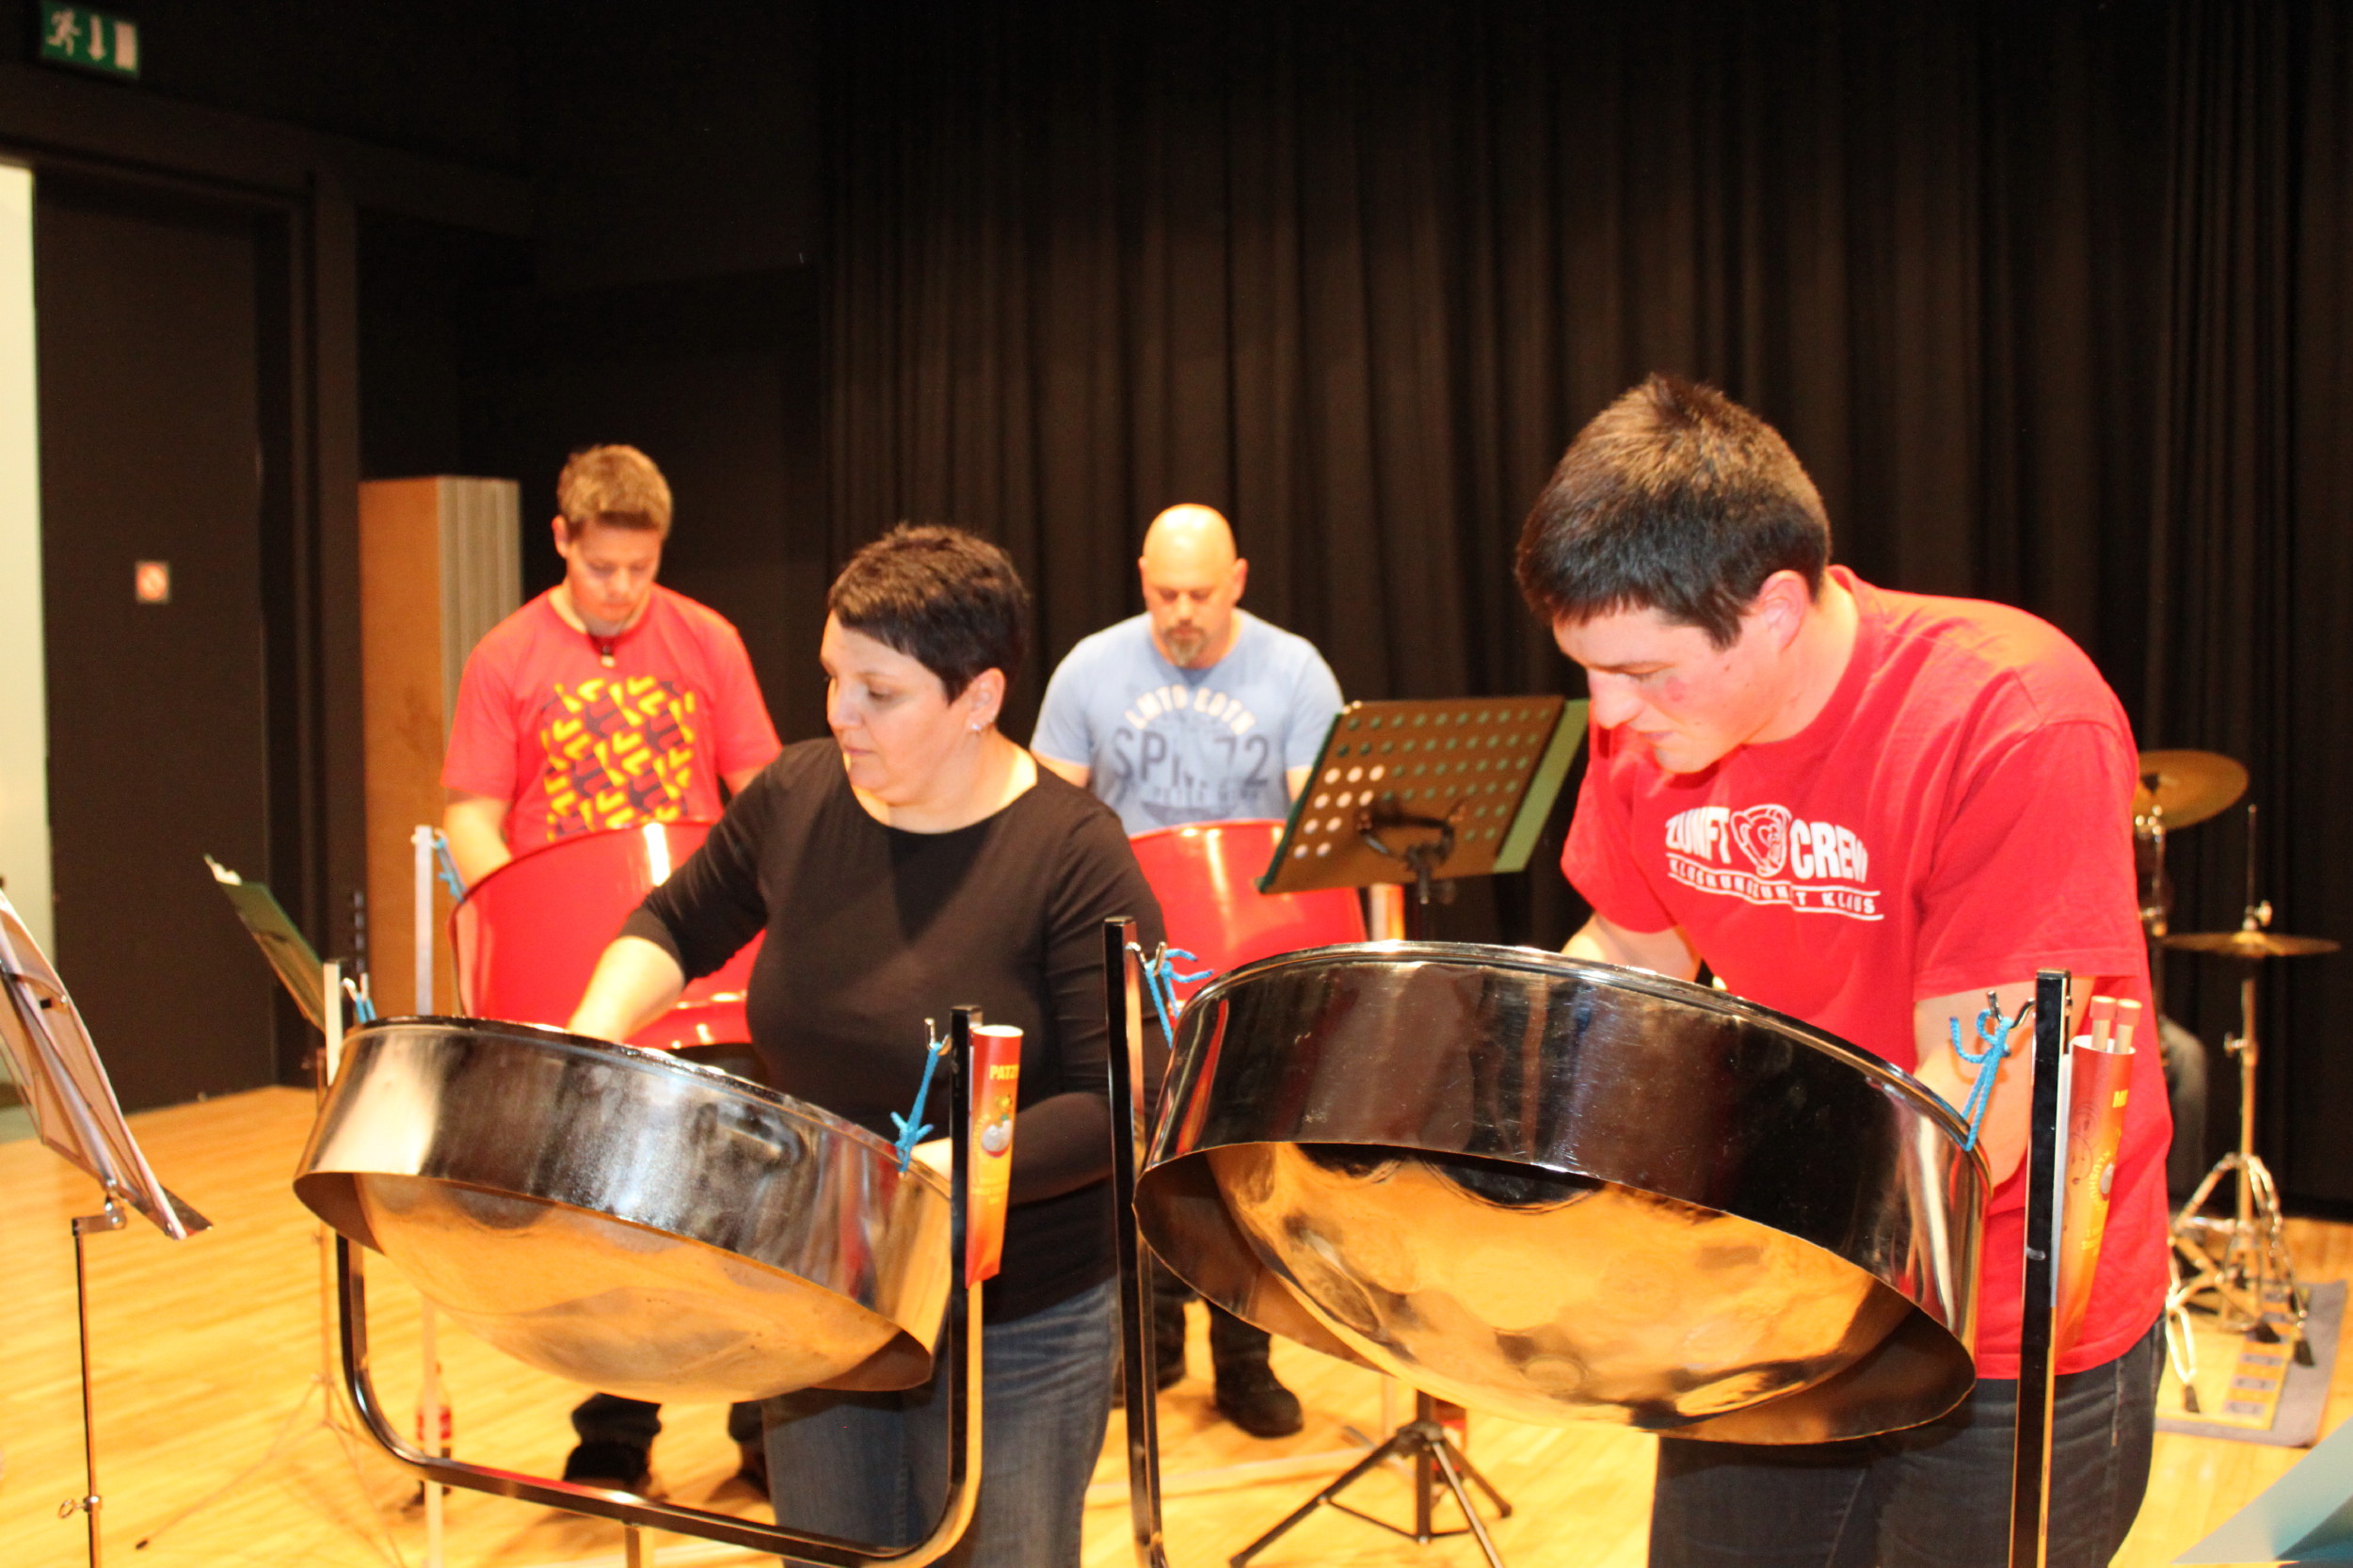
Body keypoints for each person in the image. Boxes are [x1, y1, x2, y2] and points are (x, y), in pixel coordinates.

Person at [1516, 375, 2170, 1568]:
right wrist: (1522, 1094)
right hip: (1766, 1296)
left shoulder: (2010, 716)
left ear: (1773, 608)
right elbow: (1628, 955)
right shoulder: (1647, 735)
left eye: (1646, 672)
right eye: (1588, 669)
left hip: (1994, 1328)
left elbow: (1975, 1107)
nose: (1608, 713)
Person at [566, 524, 1164, 1567]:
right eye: (833, 677)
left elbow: (1121, 1102)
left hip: (1016, 1319)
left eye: (879, 692)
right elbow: (673, 925)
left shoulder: (1074, 856)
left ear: (977, 699)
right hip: (826, 1297)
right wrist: (586, 1041)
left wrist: (926, 1180)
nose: (840, 713)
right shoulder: (796, 798)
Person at [440, 443, 783, 1493]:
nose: (623, 589)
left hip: (701, 962)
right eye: (601, 569)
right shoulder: (506, 656)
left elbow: (762, 787)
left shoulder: (708, 640)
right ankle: (615, 1432)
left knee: (744, 1198)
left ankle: (766, 1424)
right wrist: (526, 913)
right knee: (606, 1210)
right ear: (562, 539)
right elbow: (470, 815)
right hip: (581, 968)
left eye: (641, 568)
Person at [1031, 503, 1342, 1438]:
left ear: (1236, 581)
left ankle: (1245, 1361)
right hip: (1136, 952)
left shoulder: (1294, 670)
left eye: (1200, 594)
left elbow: (1320, 830)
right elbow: (1042, 817)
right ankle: (1152, 1342)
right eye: (1164, 594)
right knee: (1145, 1149)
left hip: (1250, 952)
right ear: (1141, 579)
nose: (1181, 613)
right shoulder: (1089, 668)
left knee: (1241, 1158)